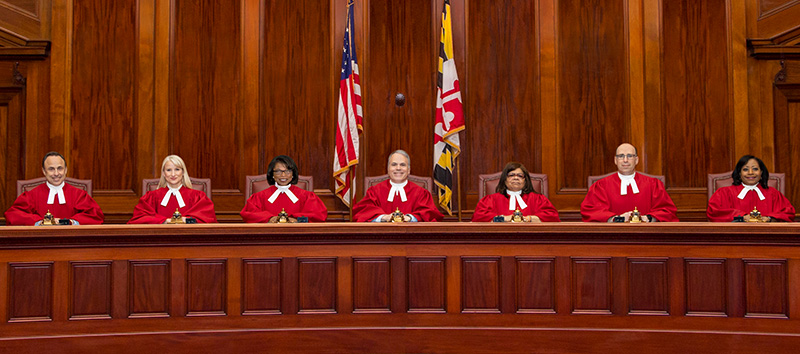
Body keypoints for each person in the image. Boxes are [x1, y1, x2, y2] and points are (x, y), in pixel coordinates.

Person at [580, 143, 678, 222]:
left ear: (636, 160)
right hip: (612, 239)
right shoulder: (601, 186)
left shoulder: (653, 184)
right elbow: (591, 211)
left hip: (646, 238)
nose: (625, 160)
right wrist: (617, 219)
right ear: (615, 160)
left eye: (630, 156)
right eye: (621, 156)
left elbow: (667, 210)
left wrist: (647, 218)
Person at [5, 151, 104, 225]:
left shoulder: (79, 195)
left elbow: (95, 215)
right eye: (51, 169)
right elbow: (13, 215)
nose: (56, 173)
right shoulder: (31, 195)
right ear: (44, 171)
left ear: (65, 170)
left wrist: (69, 222)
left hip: (72, 245)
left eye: (60, 168)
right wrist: (40, 222)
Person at [352, 150, 443, 222]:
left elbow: (431, 214)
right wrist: (384, 217)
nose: (398, 168)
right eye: (394, 164)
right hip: (381, 240)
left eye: (403, 165)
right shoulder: (374, 191)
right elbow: (361, 212)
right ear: (388, 169)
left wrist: (410, 218)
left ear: (408, 170)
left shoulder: (421, 193)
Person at [128, 155, 217, 224]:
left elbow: (208, 219)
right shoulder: (151, 196)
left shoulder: (198, 196)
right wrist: (165, 221)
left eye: (177, 169)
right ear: (163, 173)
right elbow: (139, 219)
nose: (173, 174)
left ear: (183, 172)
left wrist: (185, 220)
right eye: (169, 170)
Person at [241, 155, 327, 223]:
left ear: (293, 174)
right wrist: (270, 219)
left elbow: (318, 215)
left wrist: (296, 220)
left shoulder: (307, 196)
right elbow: (248, 214)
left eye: (288, 171)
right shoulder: (259, 197)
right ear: (272, 174)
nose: (283, 175)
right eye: (278, 171)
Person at [707, 155, 795, 222]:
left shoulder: (773, 194)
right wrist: (742, 217)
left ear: (761, 172)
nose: (750, 173)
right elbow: (714, 212)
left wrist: (769, 218)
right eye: (745, 169)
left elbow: (788, 213)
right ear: (739, 173)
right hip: (734, 239)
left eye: (755, 169)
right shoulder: (724, 193)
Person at [472, 162, 560, 222]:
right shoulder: (491, 200)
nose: (516, 178)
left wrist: (528, 219)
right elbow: (479, 217)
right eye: (511, 175)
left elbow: (552, 217)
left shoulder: (538, 199)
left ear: (525, 180)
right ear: (504, 179)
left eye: (520, 176)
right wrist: (506, 219)